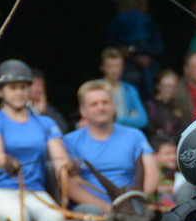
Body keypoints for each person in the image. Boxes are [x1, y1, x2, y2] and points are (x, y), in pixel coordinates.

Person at [0, 60, 71, 221]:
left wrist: (68, 166)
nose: (19, 93)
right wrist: (7, 161)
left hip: (34, 191)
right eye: (13, 88)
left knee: (56, 220)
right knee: (19, 216)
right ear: (0, 92)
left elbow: (60, 159)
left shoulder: (45, 123)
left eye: (22, 87)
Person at [61, 81, 157, 213]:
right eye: (94, 104)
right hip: (92, 210)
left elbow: (152, 173)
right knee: (92, 211)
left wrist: (135, 201)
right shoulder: (69, 141)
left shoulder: (135, 136)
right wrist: (106, 207)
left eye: (105, 102)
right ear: (83, 111)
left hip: (131, 205)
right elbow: (67, 184)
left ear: (114, 106)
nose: (101, 108)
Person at [97, 47, 150, 130]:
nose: (114, 70)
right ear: (102, 67)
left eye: (118, 66)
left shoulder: (129, 90)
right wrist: (129, 118)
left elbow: (142, 120)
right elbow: (86, 120)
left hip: (124, 136)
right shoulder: (95, 89)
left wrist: (116, 119)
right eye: (110, 66)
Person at [147, 69, 188, 145]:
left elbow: (183, 127)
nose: (168, 90)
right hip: (156, 145)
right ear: (158, 86)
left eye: (172, 87)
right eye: (165, 87)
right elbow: (150, 127)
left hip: (175, 145)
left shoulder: (179, 106)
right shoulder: (150, 105)